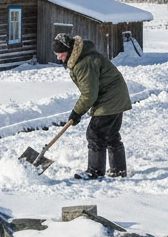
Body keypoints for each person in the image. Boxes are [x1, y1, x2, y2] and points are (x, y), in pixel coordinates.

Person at [52, 32, 132, 180]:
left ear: (69, 51)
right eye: (56, 54)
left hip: (110, 98)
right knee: (111, 134)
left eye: (61, 54)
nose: (58, 57)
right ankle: (118, 170)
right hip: (115, 96)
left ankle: (94, 171)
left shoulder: (84, 63)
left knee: (95, 134)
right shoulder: (81, 57)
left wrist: (76, 112)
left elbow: (89, 94)